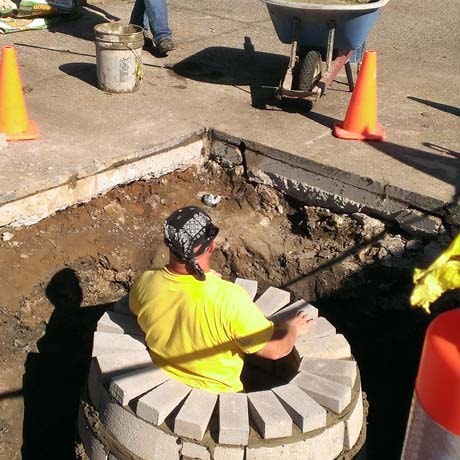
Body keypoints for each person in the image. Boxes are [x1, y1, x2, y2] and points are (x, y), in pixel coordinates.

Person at [129, 205, 312, 393]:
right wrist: (292, 328)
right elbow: (275, 350)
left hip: (166, 381)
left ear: (168, 245)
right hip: (218, 396)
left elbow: (178, 301)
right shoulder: (230, 300)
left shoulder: (145, 283)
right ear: (212, 247)